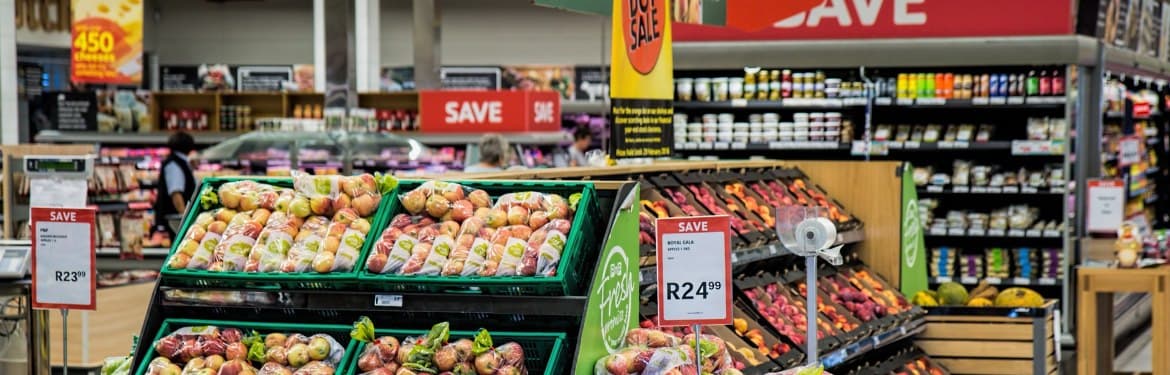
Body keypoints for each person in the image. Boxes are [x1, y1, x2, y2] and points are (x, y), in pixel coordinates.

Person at [154, 131, 197, 235]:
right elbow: (176, 193)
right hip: (173, 222)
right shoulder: (174, 164)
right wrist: (185, 218)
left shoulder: (180, 162)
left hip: (173, 221)